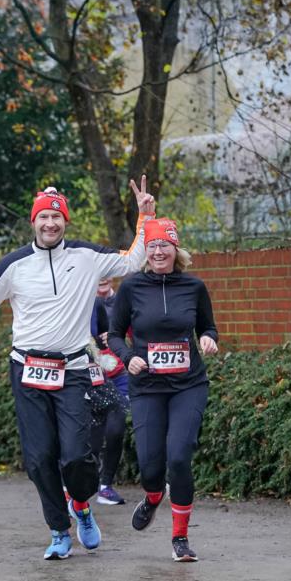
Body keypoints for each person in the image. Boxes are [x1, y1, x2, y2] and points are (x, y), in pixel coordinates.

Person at [0, 180, 156, 560]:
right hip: (27, 372)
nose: (50, 223)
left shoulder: (86, 256)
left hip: (73, 371)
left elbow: (131, 260)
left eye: (56, 217)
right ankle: (59, 530)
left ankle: (81, 505)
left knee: (77, 455)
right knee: (39, 459)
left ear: (65, 221)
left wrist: (145, 216)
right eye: (43, 216)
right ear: (34, 221)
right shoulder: (14, 265)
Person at [108, 218, 218, 562]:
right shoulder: (131, 287)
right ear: (147, 252)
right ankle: (154, 495)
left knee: (180, 457)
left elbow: (209, 326)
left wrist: (208, 339)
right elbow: (114, 335)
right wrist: (128, 358)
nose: (158, 251)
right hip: (147, 387)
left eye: (164, 245)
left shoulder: (194, 287)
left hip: (188, 385)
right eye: (152, 246)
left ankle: (180, 538)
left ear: (175, 250)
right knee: (151, 465)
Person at [90, 279, 129, 505]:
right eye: (98, 274)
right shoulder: (82, 302)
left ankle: (106, 485)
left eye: (107, 274)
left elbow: (140, 334)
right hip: (90, 376)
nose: (102, 279)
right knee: (90, 436)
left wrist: (117, 339)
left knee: (115, 430)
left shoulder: (125, 301)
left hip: (119, 376)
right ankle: (82, 485)